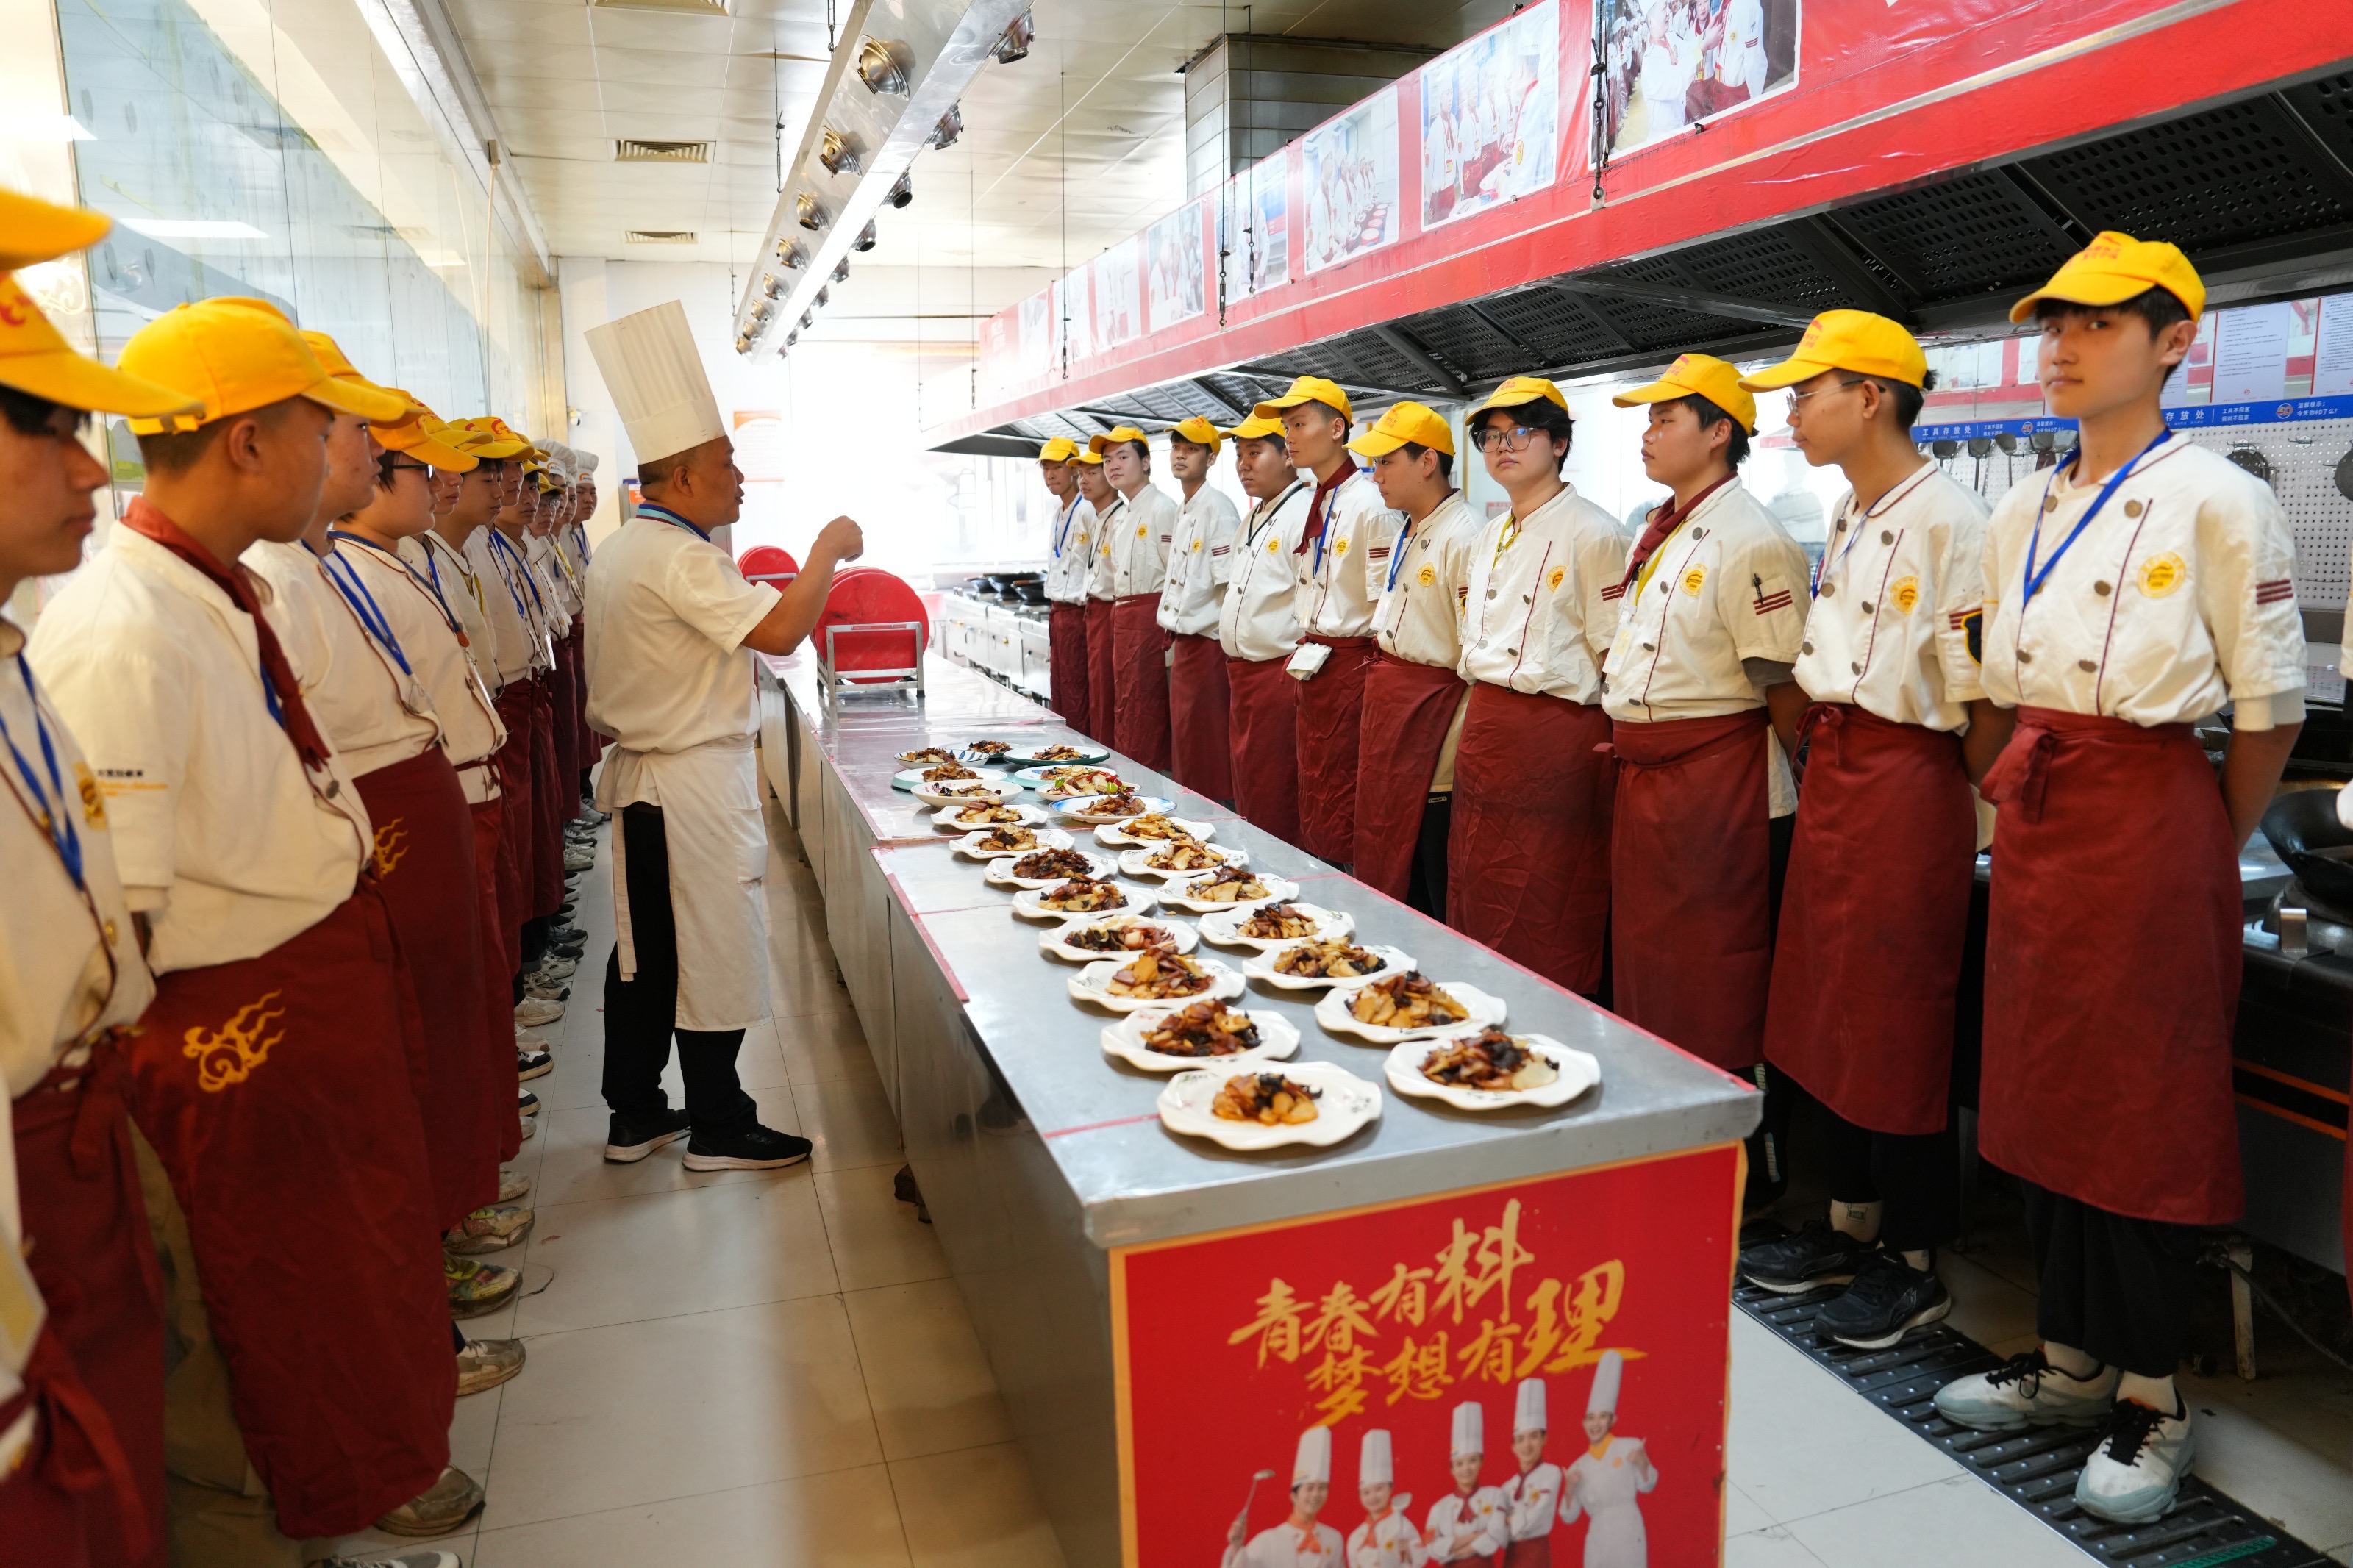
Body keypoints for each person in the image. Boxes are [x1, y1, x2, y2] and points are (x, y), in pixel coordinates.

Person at [27, 296, 476, 1558]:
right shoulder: (125, 629)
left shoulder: (210, 594)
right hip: (232, 1029)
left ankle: (337, 1497)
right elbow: (126, 911)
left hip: (295, 1001)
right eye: (318, 424)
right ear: (247, 442)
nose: (339, 447)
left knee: (331, 1288)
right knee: (254, 1322)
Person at [1932, 235, 2307, 1524]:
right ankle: (2074, 1359)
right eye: (2052, 326)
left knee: (2143, 1105)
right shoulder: (2020, 505)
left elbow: (2269, 707)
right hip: (2045, 814)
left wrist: (2198, 833)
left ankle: (2158, 1396)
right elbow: (1989, 684)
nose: (2062, 345)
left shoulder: (2218, 494)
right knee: (2042, 1089)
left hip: (2154, 811)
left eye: (2095, 324)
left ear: (2172, 343)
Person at [1734, 312, 1990, 1349]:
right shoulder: (1850, 509)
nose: (1791, 409)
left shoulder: (1953, 519)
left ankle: (1914, 1259)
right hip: (1839, 773)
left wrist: (1971, 808)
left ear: (1873, 396)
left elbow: (1979, 695)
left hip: (1907, 780)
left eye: (1808, 390)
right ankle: (1849, 1223)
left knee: (1897, 1019)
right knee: (1824, 1008)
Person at [241, 335, 524, 1272]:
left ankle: (460, 1194)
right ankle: (439, 1226)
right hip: (367, 861)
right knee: (414, 1047)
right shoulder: (276, 583)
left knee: (452, 1017)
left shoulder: (315, 565)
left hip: (421, 822)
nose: (447, 485)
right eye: (361, 437)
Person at [0, 189, 190, 1568]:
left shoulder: (14, 652)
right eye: (51, 428)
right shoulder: (112, 625)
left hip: (76, 1125)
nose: (88, 471)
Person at [582, 300, 864, 1170]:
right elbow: (779, 634)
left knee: (646, 949)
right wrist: (824, 551)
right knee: (711, 940)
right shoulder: (679, 556)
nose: (738, 477)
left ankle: (635, 1109)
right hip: (686, 782)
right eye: (724, 463)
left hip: (651, 779)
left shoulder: (630, 548)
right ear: (680, 479)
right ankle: (718, 1119)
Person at [1602, 354, 1810, 1198]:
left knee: (1718, 980)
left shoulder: (1751, 537)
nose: (1647, 434)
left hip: (1722, 788)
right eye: (1646, 420)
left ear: (1718, 430)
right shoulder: (1665, 527)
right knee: (1652, 975)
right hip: (1652, 783)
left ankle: (1739, 1178)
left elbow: (1783, 687)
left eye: (1663, 419)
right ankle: (1667, 1145)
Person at [1452, 380, 1627, 989]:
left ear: (1559, 444)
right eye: (1491, 437)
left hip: (1556, 739)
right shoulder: (1489, 536)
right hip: (1488, 727)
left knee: (1549, 890)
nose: (1503, 447)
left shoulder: (1595, 532)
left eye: (1520, 433)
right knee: (1480, 879)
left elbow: (1613, 654)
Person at [1257, 376, 1402, 868]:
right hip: (1313, 661)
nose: (1290, 437)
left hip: (1351, 668)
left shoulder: (1370, 502)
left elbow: (1385, 602)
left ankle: (1347, 890)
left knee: (1345, 789)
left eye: (1299, 423)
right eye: (1286, 427)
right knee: (1314, 786)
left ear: (1337, 428)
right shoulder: (1316, 500)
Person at [1346, 402, 1473, 914]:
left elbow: (1470, 652)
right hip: (1394, 701)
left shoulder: (1462, 535)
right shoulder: (1410, 525)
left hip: (1432, 710)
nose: (1376, 476)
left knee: (1423, 848)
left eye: (1387, 462)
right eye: (1374, 465)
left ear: (1428, 462)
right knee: (1385, 837)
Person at [1217, 415, 1311, 847]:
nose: (1243, 465)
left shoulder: (1305, 511)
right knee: (1249, 786)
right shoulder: (1256, 514)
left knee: (1275, 791)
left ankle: (1280, 880)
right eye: (1239, 455)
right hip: (1243, 673)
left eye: (1255, 453)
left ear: (1288, 456)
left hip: (1280, 673)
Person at [1157, 415, 1242, 801]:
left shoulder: (1218, 508)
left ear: (1211, 459)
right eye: (1177, 447)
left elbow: (1228, 586)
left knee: (1205, 748)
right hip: (1185, 644)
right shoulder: (1184, 507)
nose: (1181, 455)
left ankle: (1211, 820)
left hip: (1209, 646)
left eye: (1191, 449)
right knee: (1187, 744)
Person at [1094, 425, 1178, 770]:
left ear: (1146, 462)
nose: (1113, 466)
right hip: (1124, 622)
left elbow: (1175, 574)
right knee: (1127, 707)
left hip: (1150, 625)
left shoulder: (1163, 508)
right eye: (1107, 460)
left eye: (1123, 457)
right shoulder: (1122, 516)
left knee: (1149, 710)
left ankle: (1153, 784)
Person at [1560, 1352, 1654, 1568]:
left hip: (1628, 1528)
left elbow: (1648, 1485)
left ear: (1613, 1420)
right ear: (1583, 1423)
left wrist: (1641, 1462)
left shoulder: (1630, 1446)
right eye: (1590, 1418)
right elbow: (1569, 1516)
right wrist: (1569, 1488)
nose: (1595, 1424)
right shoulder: (1578, 1466)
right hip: (1598, 1534)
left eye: (1603, 1417)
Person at [1223, 1427, 1343, 1567]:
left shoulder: (1333, 1539)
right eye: (1309, 1488)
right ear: (1293, 1496)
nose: (1316, 1494)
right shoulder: (1268, 1540)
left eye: (1322, 1488)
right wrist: (1237, 1546)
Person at [1038, 437, 1094, 737]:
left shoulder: (1087, 509)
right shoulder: (1059, 512)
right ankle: (1065, 749)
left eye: (1058, 467)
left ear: (1075, 470)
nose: (1051, 474)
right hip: (1059, 613)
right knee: (1061, 692)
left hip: (1078, 614)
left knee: (1077, 693)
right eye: (1046, 468)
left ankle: (1080, 754)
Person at [1076, 448, 1121, 745]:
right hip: (1094, 612)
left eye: (1092, 472)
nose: (1084, 480)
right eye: (1080, 474)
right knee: (1095, 693)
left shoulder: (1120, 518)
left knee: (1107, 694)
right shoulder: (1098, 518)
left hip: (1111, 614)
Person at [1424, 1400, 1505, 1561]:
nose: (1466, 1469)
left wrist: (1454, 1552)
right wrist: (1475, 1536)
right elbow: (1431, 1547)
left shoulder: (1496, 1495)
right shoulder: (1439, 1508)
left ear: (1481, 1462)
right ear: (1452, 1469)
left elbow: (1497, 1534)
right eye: (1459, 1464)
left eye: (1472, 1461)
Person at [1498, 1378, 1565, 1566]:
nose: (1526, 1445)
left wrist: (1508, 1521)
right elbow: (1496, 1527)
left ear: (1545, 1439)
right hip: (1511, 1557)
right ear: (1513, 1446)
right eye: (1520, 1439)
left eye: (1533, 1437)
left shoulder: (1552, 1474)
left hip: (1536, 1554)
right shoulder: (1506, 1487)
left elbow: (1539, 1515)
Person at [1346, 1428, 1422, 1567]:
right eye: (1366, 1492)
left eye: (1379, 1489)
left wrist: (1409, 1555)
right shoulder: (1356, 1536)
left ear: (1390, 1489)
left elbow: (1419, 1559)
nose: (1372, 1497)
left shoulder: (1402, 1525)